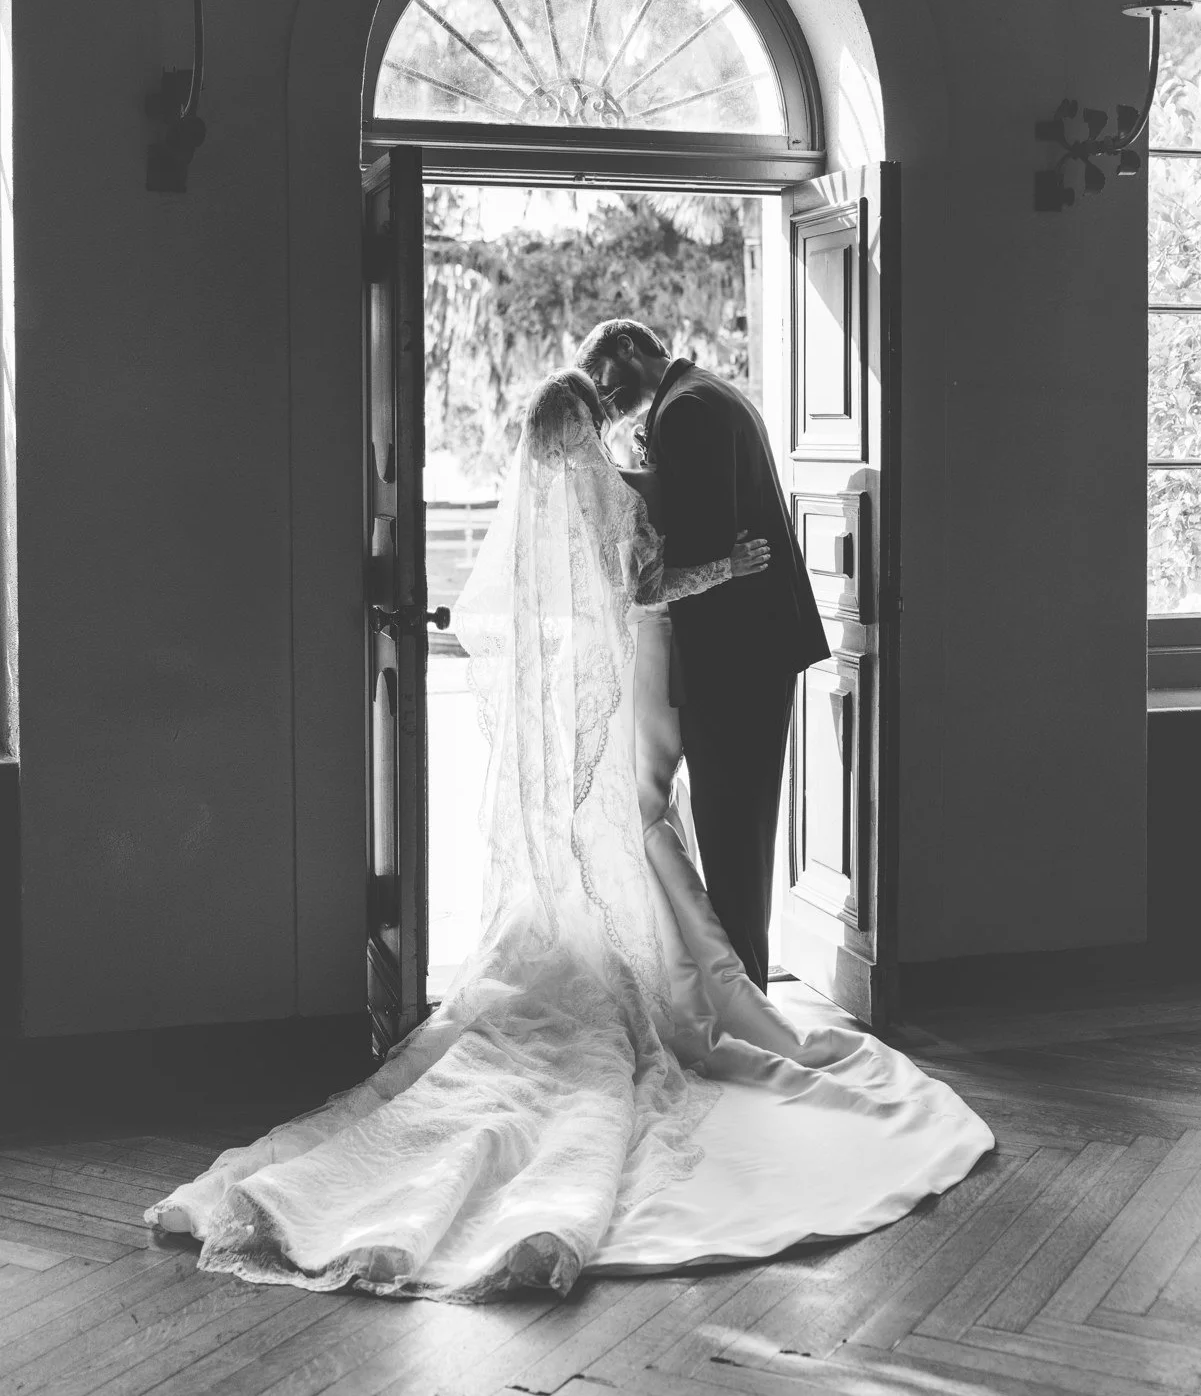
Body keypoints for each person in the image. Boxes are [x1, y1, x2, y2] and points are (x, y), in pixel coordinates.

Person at [145, 371, 991, 1303]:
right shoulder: (601, 483)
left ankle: (660, 965)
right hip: (645, 659)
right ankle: (689, 980)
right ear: (586, 423)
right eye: (599, 418)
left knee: (635, 818)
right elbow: (644, 583)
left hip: (619, 670)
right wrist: (732, 565)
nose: (610, 429)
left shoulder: (565, 487)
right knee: (644, 818)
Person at [576, 319, 828, 989]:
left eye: (603, 377)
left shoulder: (687, 410)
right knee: (735, 827)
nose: (604, 395)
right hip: (745, 648)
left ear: (628, 348)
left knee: (733, 832)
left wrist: (618, 495)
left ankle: (743, 992)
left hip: (733, 654)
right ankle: (739, 985)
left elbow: (697, 538)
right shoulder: (705, 394)